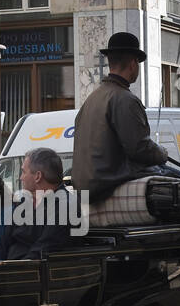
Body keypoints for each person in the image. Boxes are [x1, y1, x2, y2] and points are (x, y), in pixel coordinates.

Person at [71, 32, 168, 205]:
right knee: (176, 179)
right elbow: (139, 148)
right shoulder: (125, 99)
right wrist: (162, 153)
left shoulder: (92, 99)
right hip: (107, 183)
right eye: (137, 63)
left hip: (86, 186)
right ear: (132, 64)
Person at [0, 148, 72, 260]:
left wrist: (7, 272)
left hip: (30, 273)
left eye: (24, 172)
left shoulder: (65, 207)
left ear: (38, 176)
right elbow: (1, 243)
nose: (21, 178)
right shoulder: (23, 202)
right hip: (5, 270)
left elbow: (42, 251)